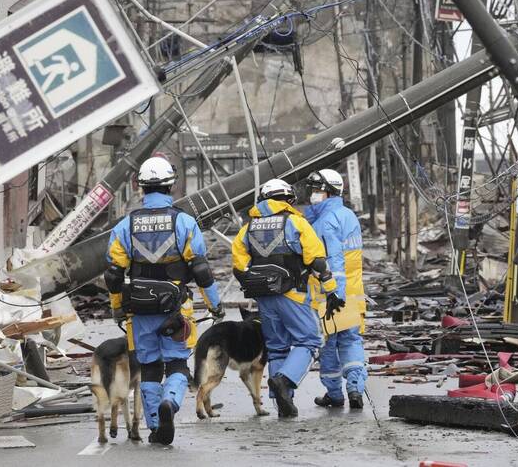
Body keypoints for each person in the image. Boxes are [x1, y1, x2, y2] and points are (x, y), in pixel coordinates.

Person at [105, 156, 225, 445]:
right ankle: (170, 402)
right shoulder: (184, 222)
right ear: (171, 185)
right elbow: (200, 269)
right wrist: (214, 305)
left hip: (138, 307)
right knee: (176, 364)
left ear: (141, 187)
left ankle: (156, 428)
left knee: (148, 367)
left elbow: (113, 275)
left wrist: (118, 309)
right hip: (176, 309)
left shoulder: (125, 226)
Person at [231, 178, 343, 418]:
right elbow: (317, 261)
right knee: (310, 341)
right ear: (288, 199)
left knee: (277, 348)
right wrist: (331, 289)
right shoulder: (296, 222)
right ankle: (286, 381)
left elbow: (239, 267)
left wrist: (256, 285)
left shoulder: (247, 228)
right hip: (293, 294)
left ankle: (283, 404)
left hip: (264, 297)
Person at [305, 169, 368, 409]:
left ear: (329, 191)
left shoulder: (324, 220)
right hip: (353, 292)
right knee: (351, 341)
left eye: (317, 190)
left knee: (328, 345)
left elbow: (334, 261)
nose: (313, 195)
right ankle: (355, 388)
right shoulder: (348, 215)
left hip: (329, 295)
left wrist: (334, 294)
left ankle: (334, 393)